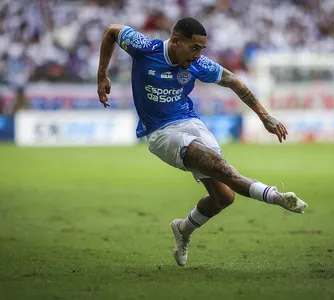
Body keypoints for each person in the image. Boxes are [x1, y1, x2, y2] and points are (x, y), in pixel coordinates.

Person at [97, 17, 308, 267]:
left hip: (191, 122)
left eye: (201, 49)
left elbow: (234, 81)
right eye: (194, 48)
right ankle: (277, 197)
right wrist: (102, 76)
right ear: (176, 41)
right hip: (161, 133)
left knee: (224, 198)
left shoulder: (198, 65)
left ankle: (183, 229)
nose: (198, 55)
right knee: (220, 167)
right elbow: (111, 31)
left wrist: (265, 117)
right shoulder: (144, 47)